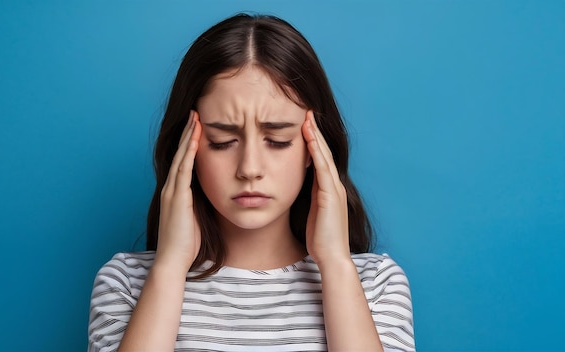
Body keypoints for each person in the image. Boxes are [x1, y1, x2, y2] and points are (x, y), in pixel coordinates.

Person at [88, 13, 414, 352]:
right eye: (222, 141)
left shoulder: (375, 284)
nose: (249, 169)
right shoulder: (126, 283)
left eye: (277, 140)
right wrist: (169, 269)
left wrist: (335, 264)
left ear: (314, 149)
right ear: (189, 148)